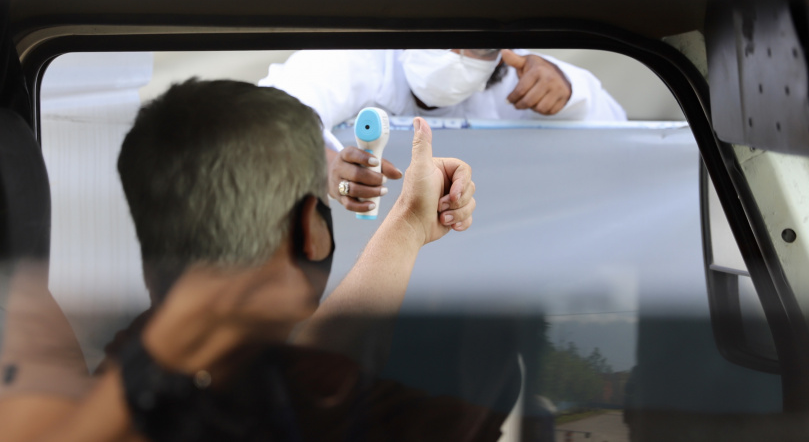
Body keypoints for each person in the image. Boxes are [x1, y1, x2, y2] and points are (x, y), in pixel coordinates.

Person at [0, 79, 492, 441]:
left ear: (149, 254)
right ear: (311, 234)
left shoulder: (83, 395)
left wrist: (405, 228)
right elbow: (319, 377)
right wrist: (405, 228)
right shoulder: (364, 414)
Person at [259, 48, 626, 212]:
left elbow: (622, 146)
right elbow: (267, 117)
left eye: (479, 42)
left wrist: (569, 91)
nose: (458, 52)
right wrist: (323, 165)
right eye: (444, 31)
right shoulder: (358, 60)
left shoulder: (520, 77)